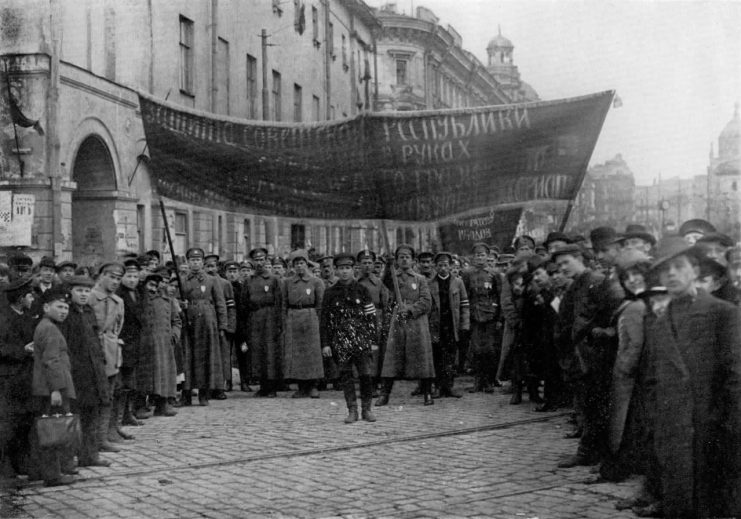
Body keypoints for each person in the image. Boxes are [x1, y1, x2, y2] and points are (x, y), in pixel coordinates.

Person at [641, 235, 741, 518]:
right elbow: (652, 382)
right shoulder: (658, 323)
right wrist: (657, 425)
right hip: (672, 433)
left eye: (679, 266)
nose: (671, 274)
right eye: (665, 270)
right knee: (679, 503)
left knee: (711, 504)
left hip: (711, 431)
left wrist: (730, 427)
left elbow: (735, 376)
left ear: (695, 271)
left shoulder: (722, 313)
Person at [552, 244, 622, 469]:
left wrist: (600, 334)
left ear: (580, 258)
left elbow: (615, 313)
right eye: (559, 264)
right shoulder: (577, 284)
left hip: (594, 356)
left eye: (566, 262)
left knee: (595, 406)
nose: (562, 268)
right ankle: (592, 452)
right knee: (588, 406)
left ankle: (591, 453)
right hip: (579, 356)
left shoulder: (598, 281)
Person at [59, 275, 111, 468]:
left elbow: (96, 339)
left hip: (93, 371)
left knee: (91, 414)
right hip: (75, 372)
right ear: (70, 292)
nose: (83, 294)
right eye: (79, 290)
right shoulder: (66, 314)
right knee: (72, 415)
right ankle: (67, 459)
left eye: (86, 291)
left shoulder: (89, 311)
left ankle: (89, 455)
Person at [321, 253, 378, 423]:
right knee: (346, 376)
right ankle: (352, 410)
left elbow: (371, 317)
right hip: (340, 340)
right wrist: (325, 344)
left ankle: (367, 409)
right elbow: (324, 320)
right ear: (336, 270)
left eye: (347, 268)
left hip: (361, 339)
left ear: (354, 269)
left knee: (366, 375)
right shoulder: (330, 293)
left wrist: (373, 340)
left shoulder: (362, 290)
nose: (344, 272)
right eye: (341, 268)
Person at [376, 244, 435, 406]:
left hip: (416, 323)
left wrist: (410, 310)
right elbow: (386, 283)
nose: (404, 259)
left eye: (407, 256)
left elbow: (426, 302)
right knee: (392, 358)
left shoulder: (420, 279)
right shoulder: (393, 277)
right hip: (398, 322)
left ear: (413, 260)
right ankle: (385, 394)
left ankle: (427, 393)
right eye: (400, 256)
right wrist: (388, 266)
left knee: (422, 357)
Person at [30, 288, 76, 487]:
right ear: (46, 307)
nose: (64, 311)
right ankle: (53, 475)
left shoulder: (46, 325)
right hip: (53, 388)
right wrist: (56, 390)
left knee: (47, 430)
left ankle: (44, 471)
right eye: (59, 307)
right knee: (53, 432)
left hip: (47, 386)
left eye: (66, 307)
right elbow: (51, 361)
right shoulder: (49, 328)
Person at [0, 278, 37, 479]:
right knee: (8, 424)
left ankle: (21, 462)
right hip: (8, 378)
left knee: (24, 422)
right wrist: (22, 351)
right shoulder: (3, 318)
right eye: (30, 295)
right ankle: (5, 466)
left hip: (25, 377)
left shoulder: (27, 316)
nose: (33, 299)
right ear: (21, 298)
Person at [180, 248, 227, 406]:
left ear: (202, 262)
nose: (195, 263)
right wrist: (182, 305)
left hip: (207, 321)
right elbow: (175, 300)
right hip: (188, 321)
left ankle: (204, 393)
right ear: (187, 262)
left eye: (198, 260)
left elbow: (220, 303)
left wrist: (222, 326)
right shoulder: (182, 280)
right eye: (192, 260)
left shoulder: (211, 280)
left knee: (206, 356)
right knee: (188, 356)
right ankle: (186, 394)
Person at [88, 262, 125, 453]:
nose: (115, 282)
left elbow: (117, 329)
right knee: (93, 397)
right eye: (111, 277)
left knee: (108, 396)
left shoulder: (118, 302)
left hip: (110, 352)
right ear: (101, 275)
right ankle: (91, 439)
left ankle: (103, 437)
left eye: (119, 278)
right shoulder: (90, 297)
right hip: (91, 352)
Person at [281, 249, 325, 398]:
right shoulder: (286, 283)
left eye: (302, 263)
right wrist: (284, 321)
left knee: (312, 353)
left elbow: (320, 304)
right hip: (293, 317)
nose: (299, 266)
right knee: (297, 354)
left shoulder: (316, 282)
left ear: (307, 264)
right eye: (296, 264)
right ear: (293, 266)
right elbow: (283, 304)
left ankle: (313, 386)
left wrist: (318, 321)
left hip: (311, 317)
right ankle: (301, 387)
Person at [138, 271, 181, 417]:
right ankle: (140, 405)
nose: (153, 289)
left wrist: (174, 334)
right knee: (144, 376)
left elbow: (176, 321)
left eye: (156, 285)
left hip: (164, 344)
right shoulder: (139, 300)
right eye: (150, 285)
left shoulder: (167, 301)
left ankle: (163, 404)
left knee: (164, 374)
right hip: (144, 344)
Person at [428, 252, 469, 398]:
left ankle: (449, 386)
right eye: (440, 265)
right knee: (437, 356)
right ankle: (438, 386)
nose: (443, 268)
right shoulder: (430, 283)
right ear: (435, 267)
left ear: (450, 266)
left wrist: (464, 325)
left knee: (451, 357)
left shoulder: (458, 282)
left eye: (446, 265)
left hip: (452, 325)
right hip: (436, 325)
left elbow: (464, 305)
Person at [461, 242, 501, 393]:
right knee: (477, 350)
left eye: (482, 254)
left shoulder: (494, 274)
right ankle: (478, 381)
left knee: (490, 350)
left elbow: (499, 295)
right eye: (477, 254)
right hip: (474, 316)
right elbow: (464, 296)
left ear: (487, 256)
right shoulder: (467, 274)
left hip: (490, 316)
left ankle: (489, 381)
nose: (479, 257)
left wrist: (499, 319)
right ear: (473, 257)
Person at [242, 247, 282, 397]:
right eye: (256, 260)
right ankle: (262, 386)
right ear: (252, 262)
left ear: (266, 261)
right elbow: (244, 303)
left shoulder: (273, 280)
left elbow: (279, 302)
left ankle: (271, 387)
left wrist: (279, 323)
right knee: (257, 352)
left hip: (270, 318)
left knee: (270, 353)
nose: (259, 263)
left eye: (261, 260)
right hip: (255, 318)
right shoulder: (248, 280)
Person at [356, 250, 390, 393]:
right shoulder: (354, 283)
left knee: (376, 354)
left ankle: (375, 384)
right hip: (358, 320)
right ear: (359, 265)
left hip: (376, 320)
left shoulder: (378, 283)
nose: (367, 266)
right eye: (364, 263)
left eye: (370, 263)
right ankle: (364, 384)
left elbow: (386, 304)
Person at [116, 258, 143, 428]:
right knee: (123, 382)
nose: (132, 280)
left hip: (136, 342)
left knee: (132, 381)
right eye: (129, 276)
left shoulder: (138, 293)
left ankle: (128, 412)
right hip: (124, 342)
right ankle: (121, 415)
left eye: (135, 276)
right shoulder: (120, 294)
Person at [204, 254, 235, 399]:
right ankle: (208, 387)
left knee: (222, 357)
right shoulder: (202, 282)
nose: (210, 269)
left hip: (221, 325)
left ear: (218, 267)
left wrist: (228, 326)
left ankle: (220, 387)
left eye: (213, 266)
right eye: (208, 266)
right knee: (208, 356)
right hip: (207, 324)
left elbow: (230, 306)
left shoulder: (224, 283)